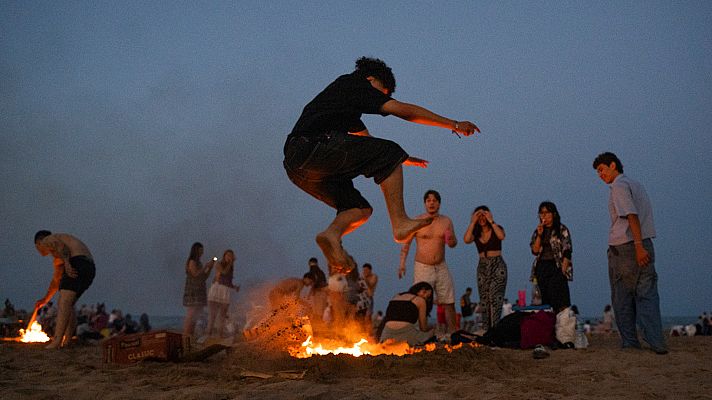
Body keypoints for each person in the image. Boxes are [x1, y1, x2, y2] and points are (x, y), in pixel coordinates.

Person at [283, 56, 479, 274]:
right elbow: (403, 110)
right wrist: (454, 124)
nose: (380, 98)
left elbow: (364, 140)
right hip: (312, 146)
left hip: (298, 167)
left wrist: (401, 159)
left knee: (359, 209)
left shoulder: (341, 102)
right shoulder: (357, 83)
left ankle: (332, 235)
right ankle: (400, 223)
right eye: (382, 92)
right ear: (372, 79)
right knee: (389, 150)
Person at [593, 152, 667, 354]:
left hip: (626, 246)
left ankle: (630, 341)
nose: (600, 175)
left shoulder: (618, 186)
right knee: (648, 295)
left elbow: (631, 215)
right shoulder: (636, 185)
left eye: (601, 170)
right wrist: (642, 245)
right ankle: (656, 341)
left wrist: (637, 246)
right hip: (643, 242)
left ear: (613, 165)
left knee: (622, 296)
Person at [399, 190, 458, 335]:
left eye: (434, 200)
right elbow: (406, 244)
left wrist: (450, 240)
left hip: (441, 265)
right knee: (421, 300)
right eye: (428, 200)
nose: (431, 203)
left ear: (439, 203)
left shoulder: (446, 221)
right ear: (425, 203)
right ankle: (419, 332)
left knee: (448, 300)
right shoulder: (418, 221)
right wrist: (402, 263)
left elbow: (453, 243)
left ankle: (453, 333)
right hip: (423, 266)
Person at [33, 230, 96, 349]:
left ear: (38, 243)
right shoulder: (57, 258)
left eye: (37, 248)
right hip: (89, 268)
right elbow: (56, 282)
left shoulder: (48, 239)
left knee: (64, 302)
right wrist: (45, 299)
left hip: (78, 261)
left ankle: (57, 341)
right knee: (68, 303)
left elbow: (63, 248)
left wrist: (67, 263)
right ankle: (67, 340)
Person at [530, 201, 575, 347]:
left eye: (547, 212)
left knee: (560, 301)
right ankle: (548, 336)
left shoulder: (561, 229)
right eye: (541, 213)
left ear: (553, 214)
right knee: (545, 302)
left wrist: (563, 269)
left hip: (556, 266)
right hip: (542, 267)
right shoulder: (538, 231)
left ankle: (564, 336)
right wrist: (539, 234)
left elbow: (567, 249)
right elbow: (535, 251)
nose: (544, 216)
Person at [463, 205, 508, 330]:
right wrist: (472, 222)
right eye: (479, 215)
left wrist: (491, 221)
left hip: (497, 265)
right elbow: (466, 239)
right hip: (482, 266)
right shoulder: (476, 234)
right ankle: (488, 330)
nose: (482, 218)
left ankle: (495, 329)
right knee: (484, 300)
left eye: (484, 214)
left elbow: (501, 236)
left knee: (495, 297)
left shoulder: (496, 228)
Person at [182, 242, 215, 337]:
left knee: (196, 314)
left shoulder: (199, 263)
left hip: (200, 290)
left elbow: (204, 277)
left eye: (202, 250)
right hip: (193, 290)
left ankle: (190, 336)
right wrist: (205, 266)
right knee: (191, 314)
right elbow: (195, 274)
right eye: (200, 250)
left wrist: (210, 268)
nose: (202, 252)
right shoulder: (192, 261)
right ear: (196, 251)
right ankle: (185, 336)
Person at [206, 249, 240, 337]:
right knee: (212, 316)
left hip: (225, 292)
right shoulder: (218, 264)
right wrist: (230, 263)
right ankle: (208, 335)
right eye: (227, 255)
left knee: (222, 316)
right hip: (216, 290)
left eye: (231, 256)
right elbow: (223, 272)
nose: (229, 257)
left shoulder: (231, 268)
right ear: (224, 256)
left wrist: (234, 287)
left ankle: (220, 336)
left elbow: (227, 281)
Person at [306, 257, 329, 323]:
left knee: (317, 313)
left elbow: (314, 282)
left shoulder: (312, 271)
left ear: (310, 263)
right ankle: (319, 327)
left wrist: (310, 294)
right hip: (324, 293)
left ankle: (318, 329)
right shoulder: (321, 272)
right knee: (320, 313)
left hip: (318, 293)